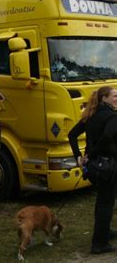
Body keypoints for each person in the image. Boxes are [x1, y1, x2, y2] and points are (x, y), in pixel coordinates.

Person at [68, 86, 117, 254]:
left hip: (94, 168)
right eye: (115, 96)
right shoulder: (112, 117)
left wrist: (79, 157)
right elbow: (106, 139)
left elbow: (72, 135)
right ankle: (99, 244)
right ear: (104, 98)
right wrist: (88, 154)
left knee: (102, 201)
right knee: (106, 204)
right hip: (108, 166)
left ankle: (104, 232)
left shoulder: (90, 116)